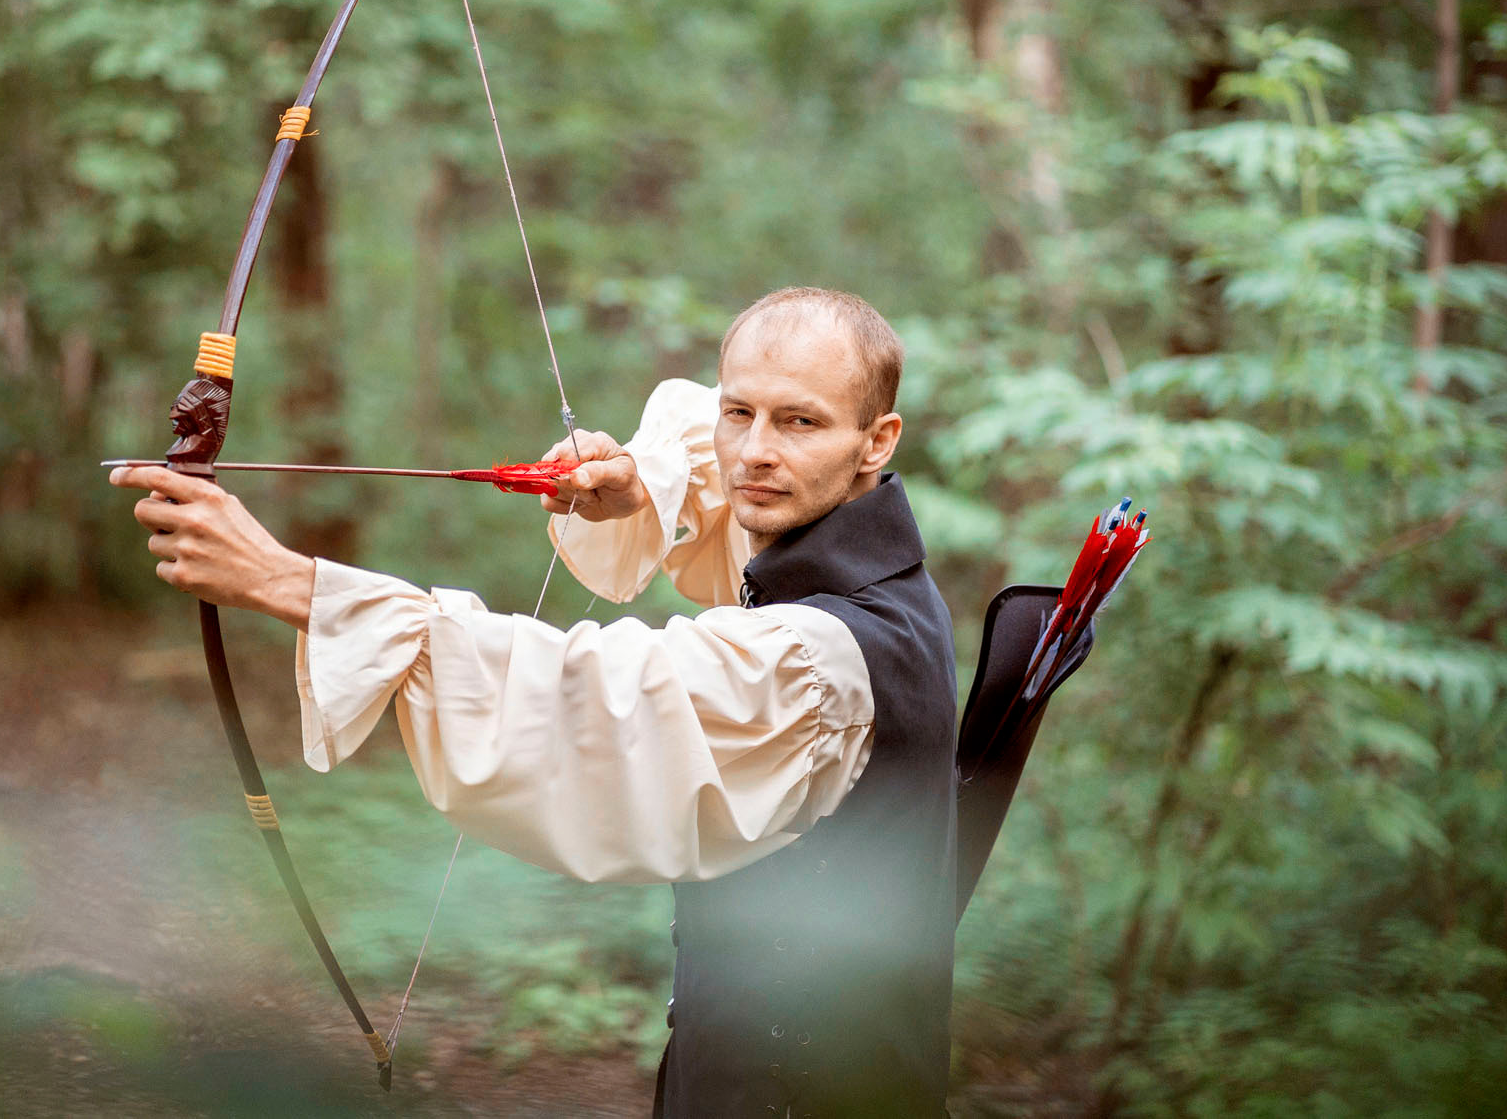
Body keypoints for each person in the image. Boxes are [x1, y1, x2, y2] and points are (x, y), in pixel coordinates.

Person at [111, 287, 958, 1118]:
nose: (756, 451)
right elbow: (713, 465)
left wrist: (294, 583)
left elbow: (602, 702)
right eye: (740, 413)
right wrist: (639, 487)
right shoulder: (844, 544)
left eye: (800, 421)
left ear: (875, 441)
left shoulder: (831, 657)